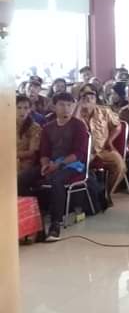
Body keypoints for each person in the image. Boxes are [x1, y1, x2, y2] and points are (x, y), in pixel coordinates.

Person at [18, 93, 89, 241]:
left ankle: (55, 224)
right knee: (22, 179)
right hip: (51, 163)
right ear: (54, 106)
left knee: (56, 180)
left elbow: (79, 153)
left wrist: (58, 164)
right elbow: (44, 151)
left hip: (72, 165)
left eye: (69, 105)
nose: (66, 109)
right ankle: (35, 219)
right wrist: (44, 164)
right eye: (62, 105)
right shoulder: (48, 127)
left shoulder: (79, 126)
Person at [77, 85, 126, 204]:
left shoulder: (104, 111)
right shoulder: (75, 112)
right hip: (81, 152)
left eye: (91, 95)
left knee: (120, 166)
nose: (88, 99)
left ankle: (106, 193)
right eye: (85, 96)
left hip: (102, 149)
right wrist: (79, 107)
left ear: (96, 97)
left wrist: (110, 140)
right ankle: (82, 199)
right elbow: (71, 125)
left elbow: (118, 126)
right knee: (75, 170)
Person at [16, 95, 42, 181]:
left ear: (30, 109)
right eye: (19, 108)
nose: (22, 111)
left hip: (26, 163)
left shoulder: (35, 127)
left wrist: (12, 155)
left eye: (26, 108)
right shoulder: (6, 124)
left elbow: (31, 152)